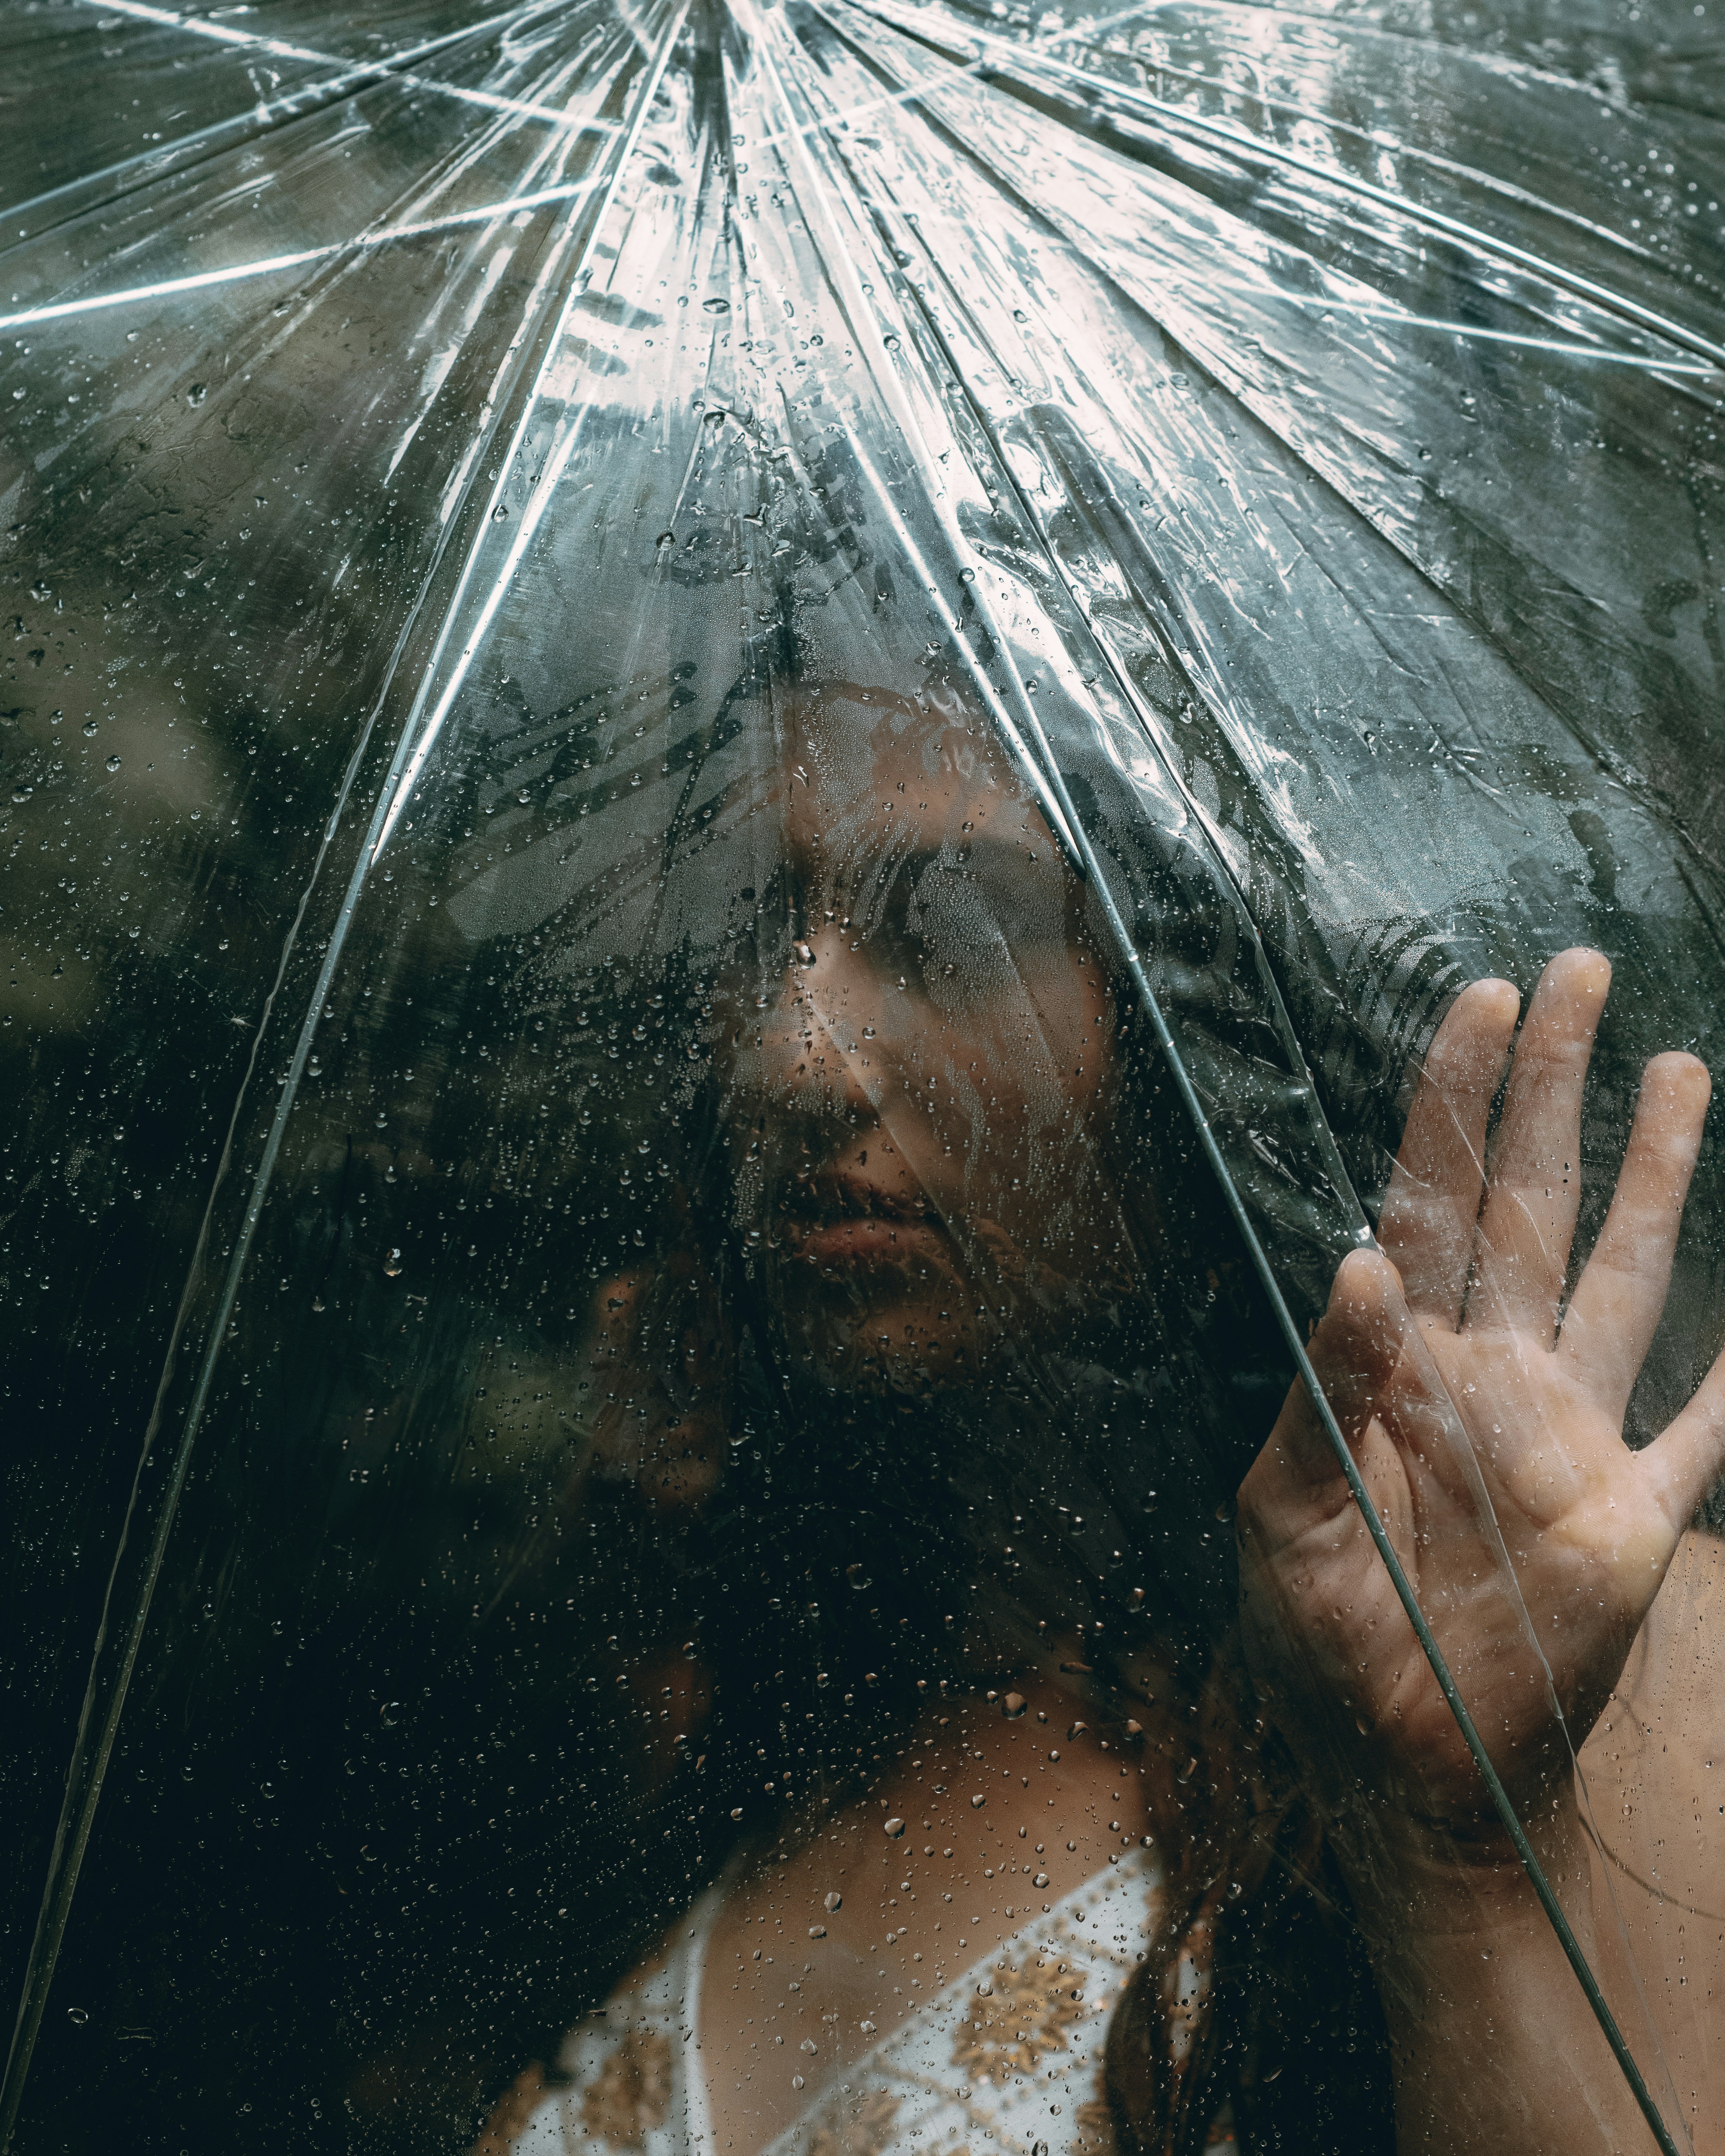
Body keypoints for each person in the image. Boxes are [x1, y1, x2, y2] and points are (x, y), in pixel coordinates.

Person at [485, 689, 1725, 2156]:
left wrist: (1462, 1858)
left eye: (962, 926)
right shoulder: (738, 1701)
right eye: (760, 929)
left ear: (1213, 1019)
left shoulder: (1590, 1660)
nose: (792, 1060)